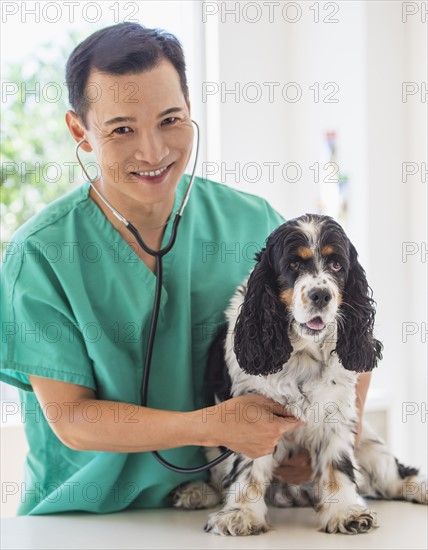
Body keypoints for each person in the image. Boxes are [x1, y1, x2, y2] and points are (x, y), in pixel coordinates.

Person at [1, 22, 371, 515]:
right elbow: (72, 418)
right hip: (83, 519)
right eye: (122, 129)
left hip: (225, 508)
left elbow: (349, 336)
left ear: (191, 108)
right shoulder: (42, 253)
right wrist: (217, 426)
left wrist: (322, 437)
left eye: (170, 119)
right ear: (80, 132)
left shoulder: (252, 221)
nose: (153, 152)